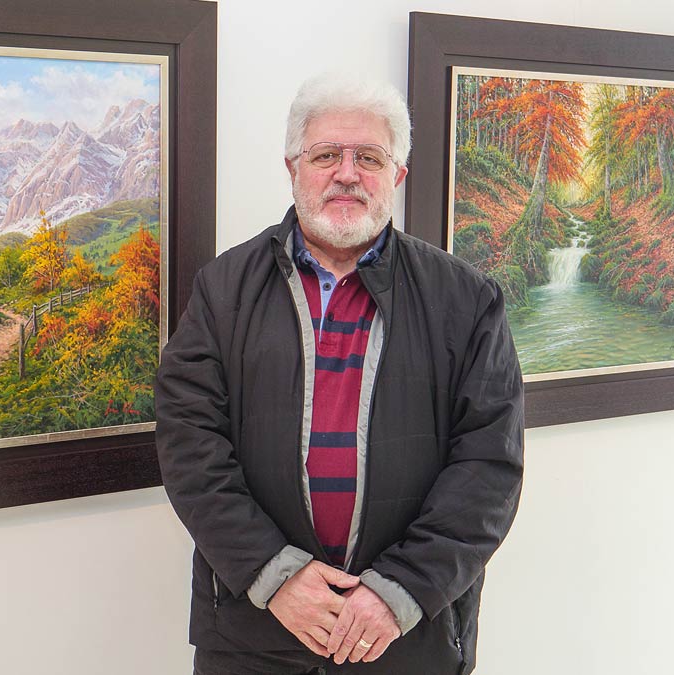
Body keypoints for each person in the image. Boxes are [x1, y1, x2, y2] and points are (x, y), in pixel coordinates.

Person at [154, 74, 525, 674]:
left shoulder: (468, 300)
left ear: (397, 176)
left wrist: (396, 592)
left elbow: (488, 468)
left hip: (407, 637)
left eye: (369, 158)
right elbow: (189, 447)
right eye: (326, 155)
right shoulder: (222, 289)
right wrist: (275, 576)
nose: (346, 173)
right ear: (293, 168)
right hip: (254, 633)